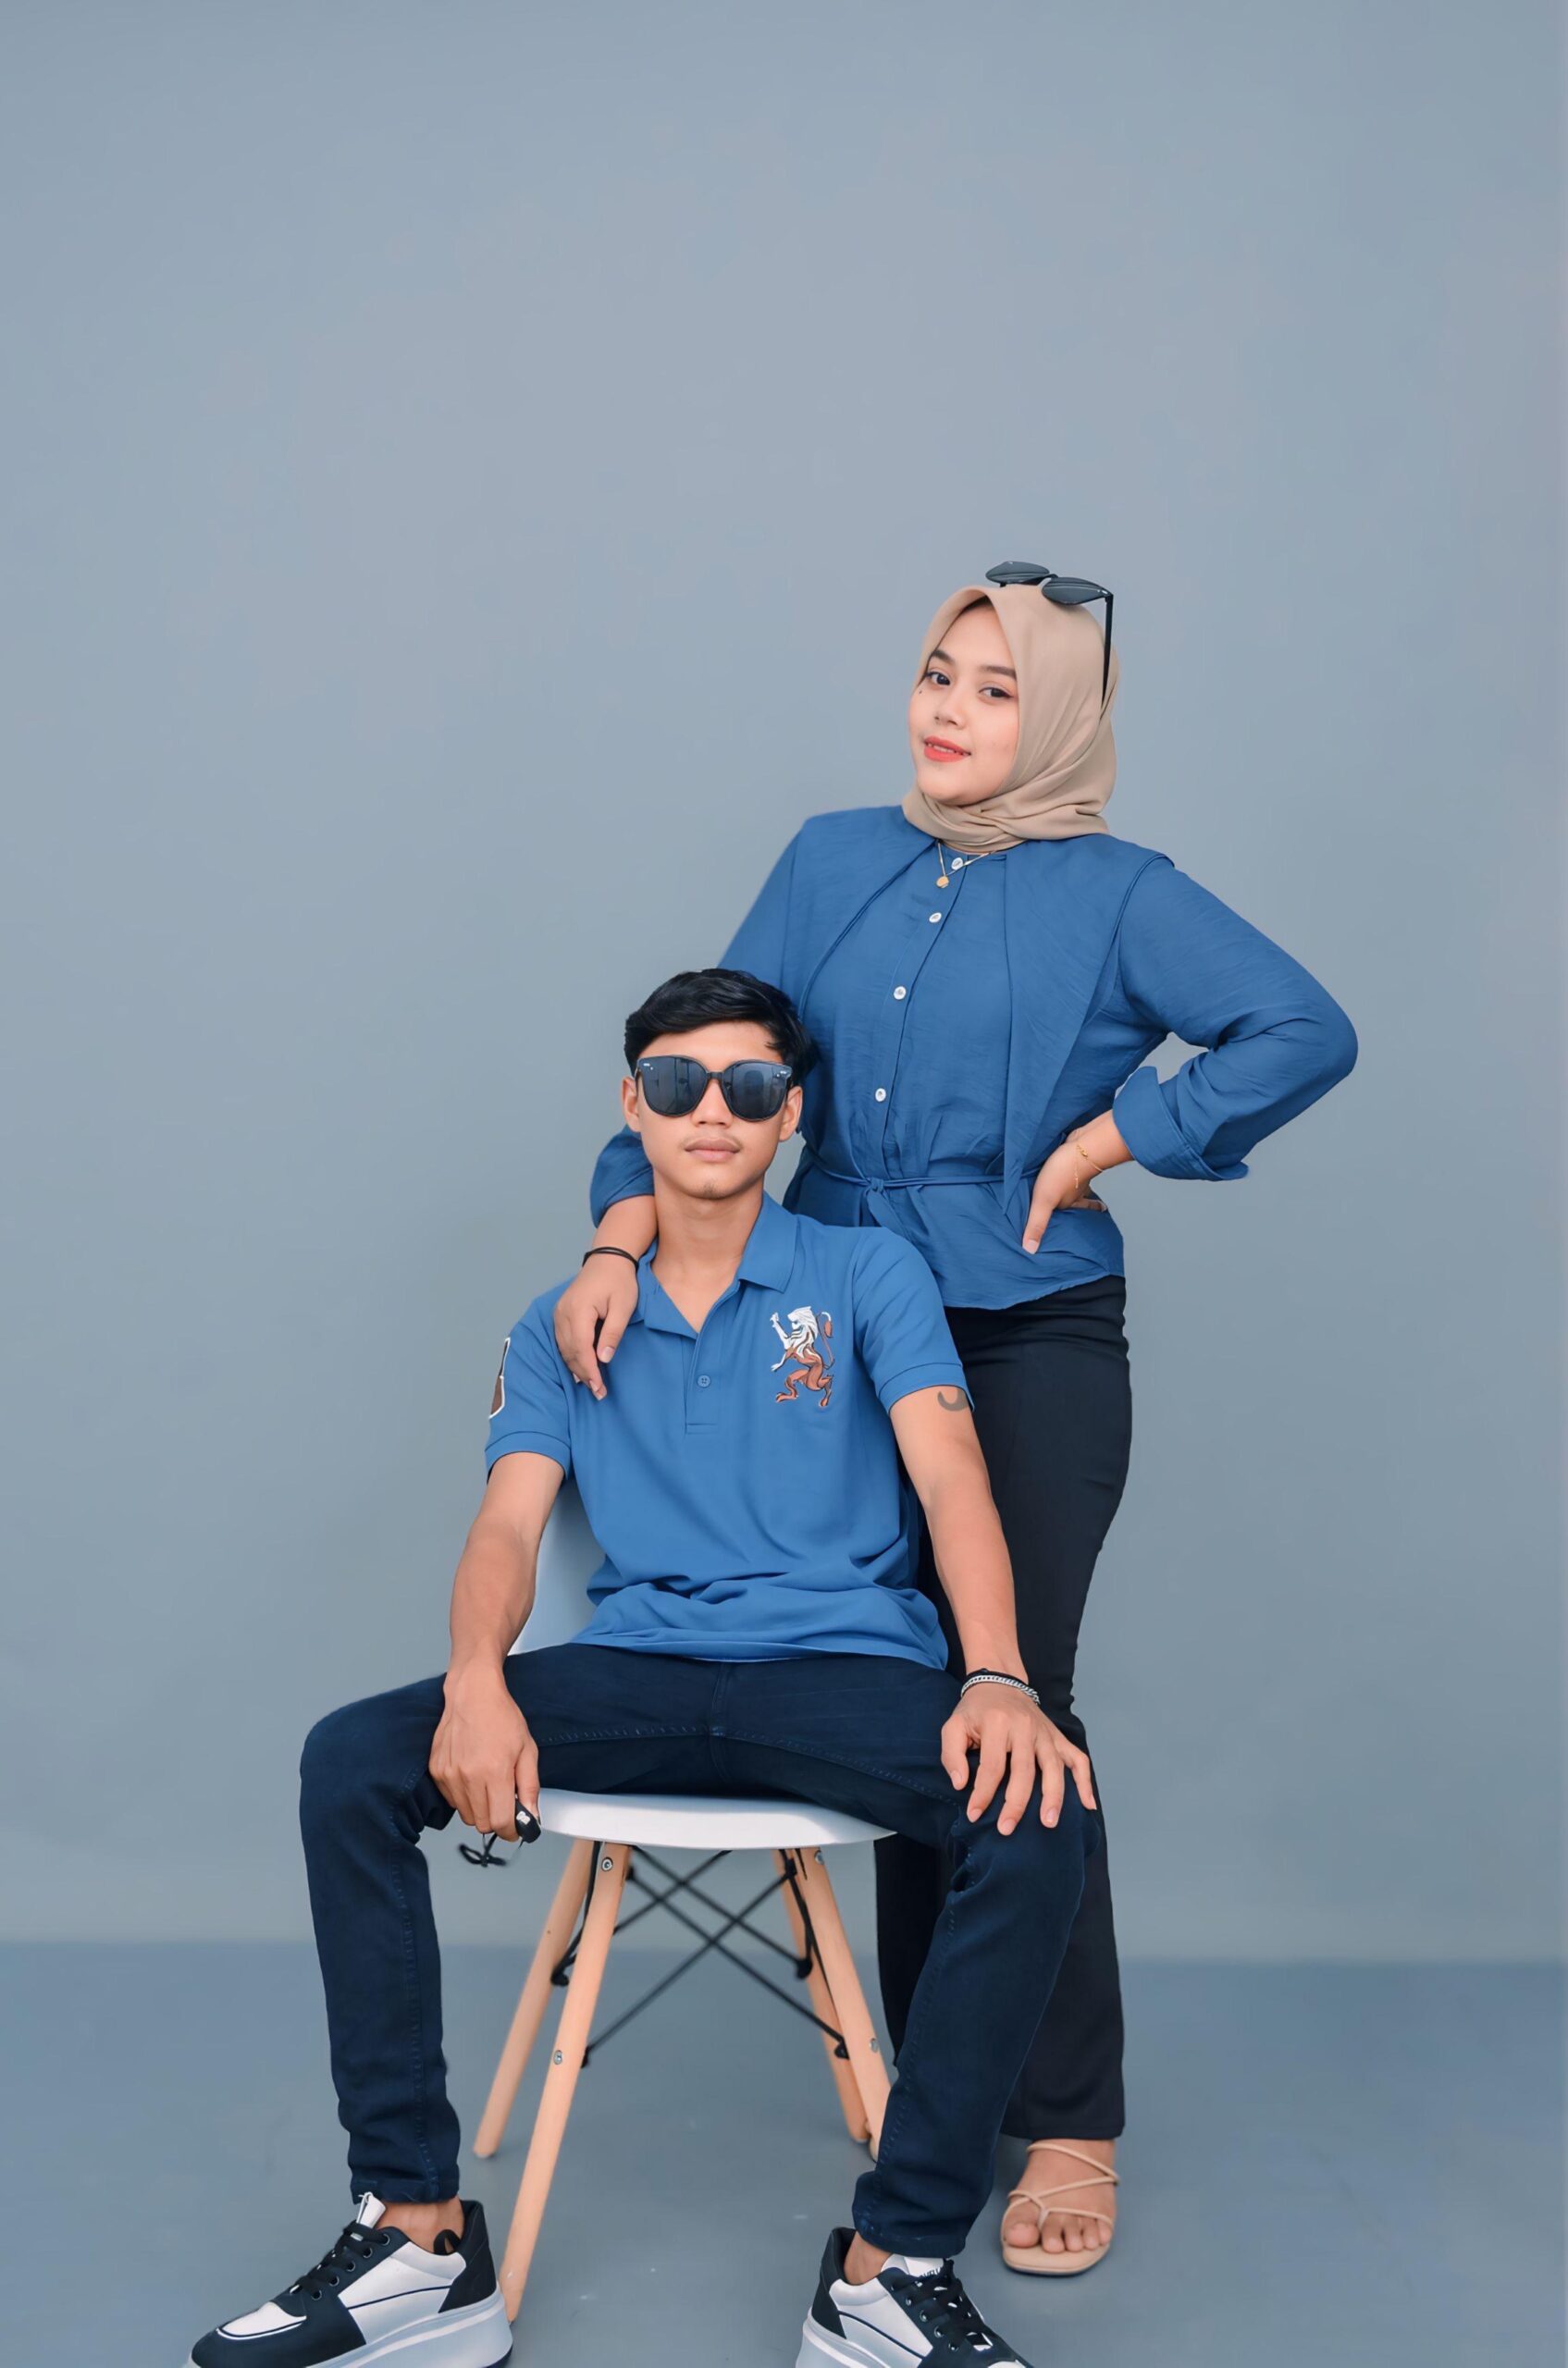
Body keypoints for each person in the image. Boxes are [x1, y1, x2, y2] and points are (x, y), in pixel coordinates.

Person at [554, 561, 1359, 2273]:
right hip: (829, 1325)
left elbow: (1305, 1027)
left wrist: (1117, 1137)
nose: (951, 710)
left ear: (1058, 718)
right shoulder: (829, 858)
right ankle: (947, 2082)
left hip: (1023, 1335)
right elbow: (712, 1053)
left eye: (998, 688)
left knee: (1013, 1698)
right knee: (895, 1688)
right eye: (937, 671)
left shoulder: (1123, 892)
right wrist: (621, 1235)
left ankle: (1064, 2119)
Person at [185, 966, 1104, 2368]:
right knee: (350, 1760)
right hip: (637, 1669)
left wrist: (999, 1680)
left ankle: (893, 2264)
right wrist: (477, 1678)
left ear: (789, 1113)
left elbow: (953, 1476)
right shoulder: (561, 1320)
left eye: (748, 1085)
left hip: (842, 1671)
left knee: (1041, 1808)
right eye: (678, 1083)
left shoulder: (868, 1274)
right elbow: (508, 1527)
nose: (711, 1110)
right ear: (635, 1105)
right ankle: (417, 2240)